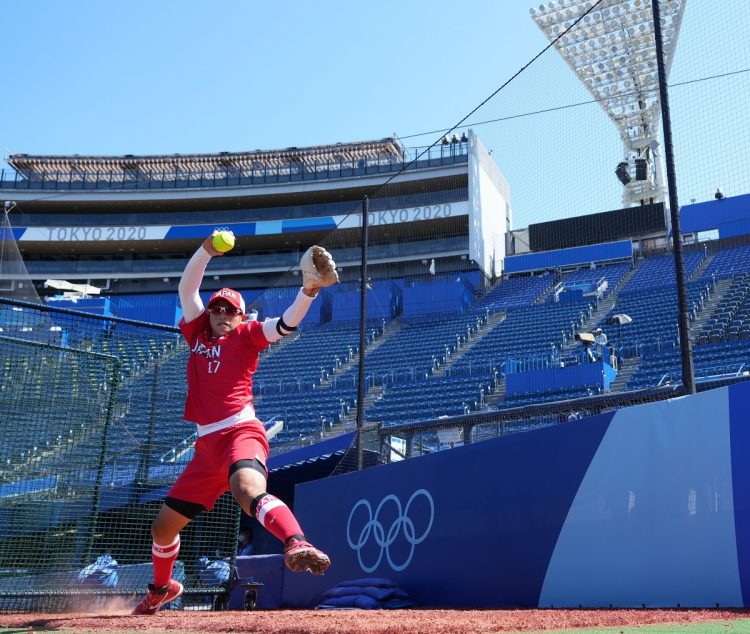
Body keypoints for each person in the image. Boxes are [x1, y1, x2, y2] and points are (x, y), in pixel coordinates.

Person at [132, 231, 339, 615]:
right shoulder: (196, 331)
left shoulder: (245, 336)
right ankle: (161, 588)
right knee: (162, 528)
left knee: (247, 489)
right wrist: (207, 250)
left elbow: (284, 325)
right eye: (218, 308)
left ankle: (296, 542)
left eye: (230, 310)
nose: (223, 314)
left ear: (241, 316)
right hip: (205, 447)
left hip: (240, 431)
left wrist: (308, 291)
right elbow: (187, 286)